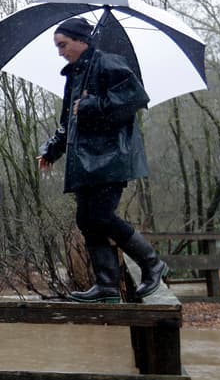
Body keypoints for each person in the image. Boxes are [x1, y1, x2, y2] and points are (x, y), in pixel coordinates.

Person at [36, 17, 169, 302]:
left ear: (81, 40)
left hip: (110, 159)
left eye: (63, 45)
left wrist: (90, 105)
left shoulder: (110, 64)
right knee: (87, 219)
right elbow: (68, 122)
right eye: (57, 47)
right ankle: (107, 286)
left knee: (101, 216)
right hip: (84, 162)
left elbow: (133, 101)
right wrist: (52, 149)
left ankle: (151, 263)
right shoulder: (74, 74)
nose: (60, 52)